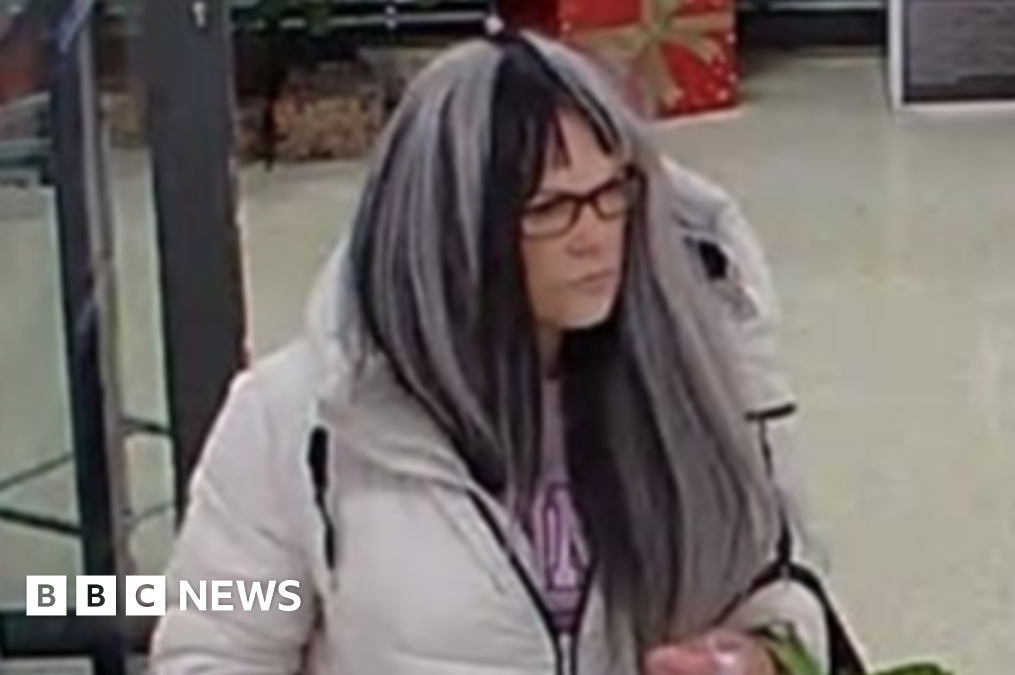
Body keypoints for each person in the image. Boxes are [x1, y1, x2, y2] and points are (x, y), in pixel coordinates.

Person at [150, 30, 836, 675]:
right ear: (453, 230)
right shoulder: (298, 420)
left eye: (610, 194)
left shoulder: (699, 375)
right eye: (550, 208)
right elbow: (211, 644)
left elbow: (782, 585)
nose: (595, 235)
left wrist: (759, 657)